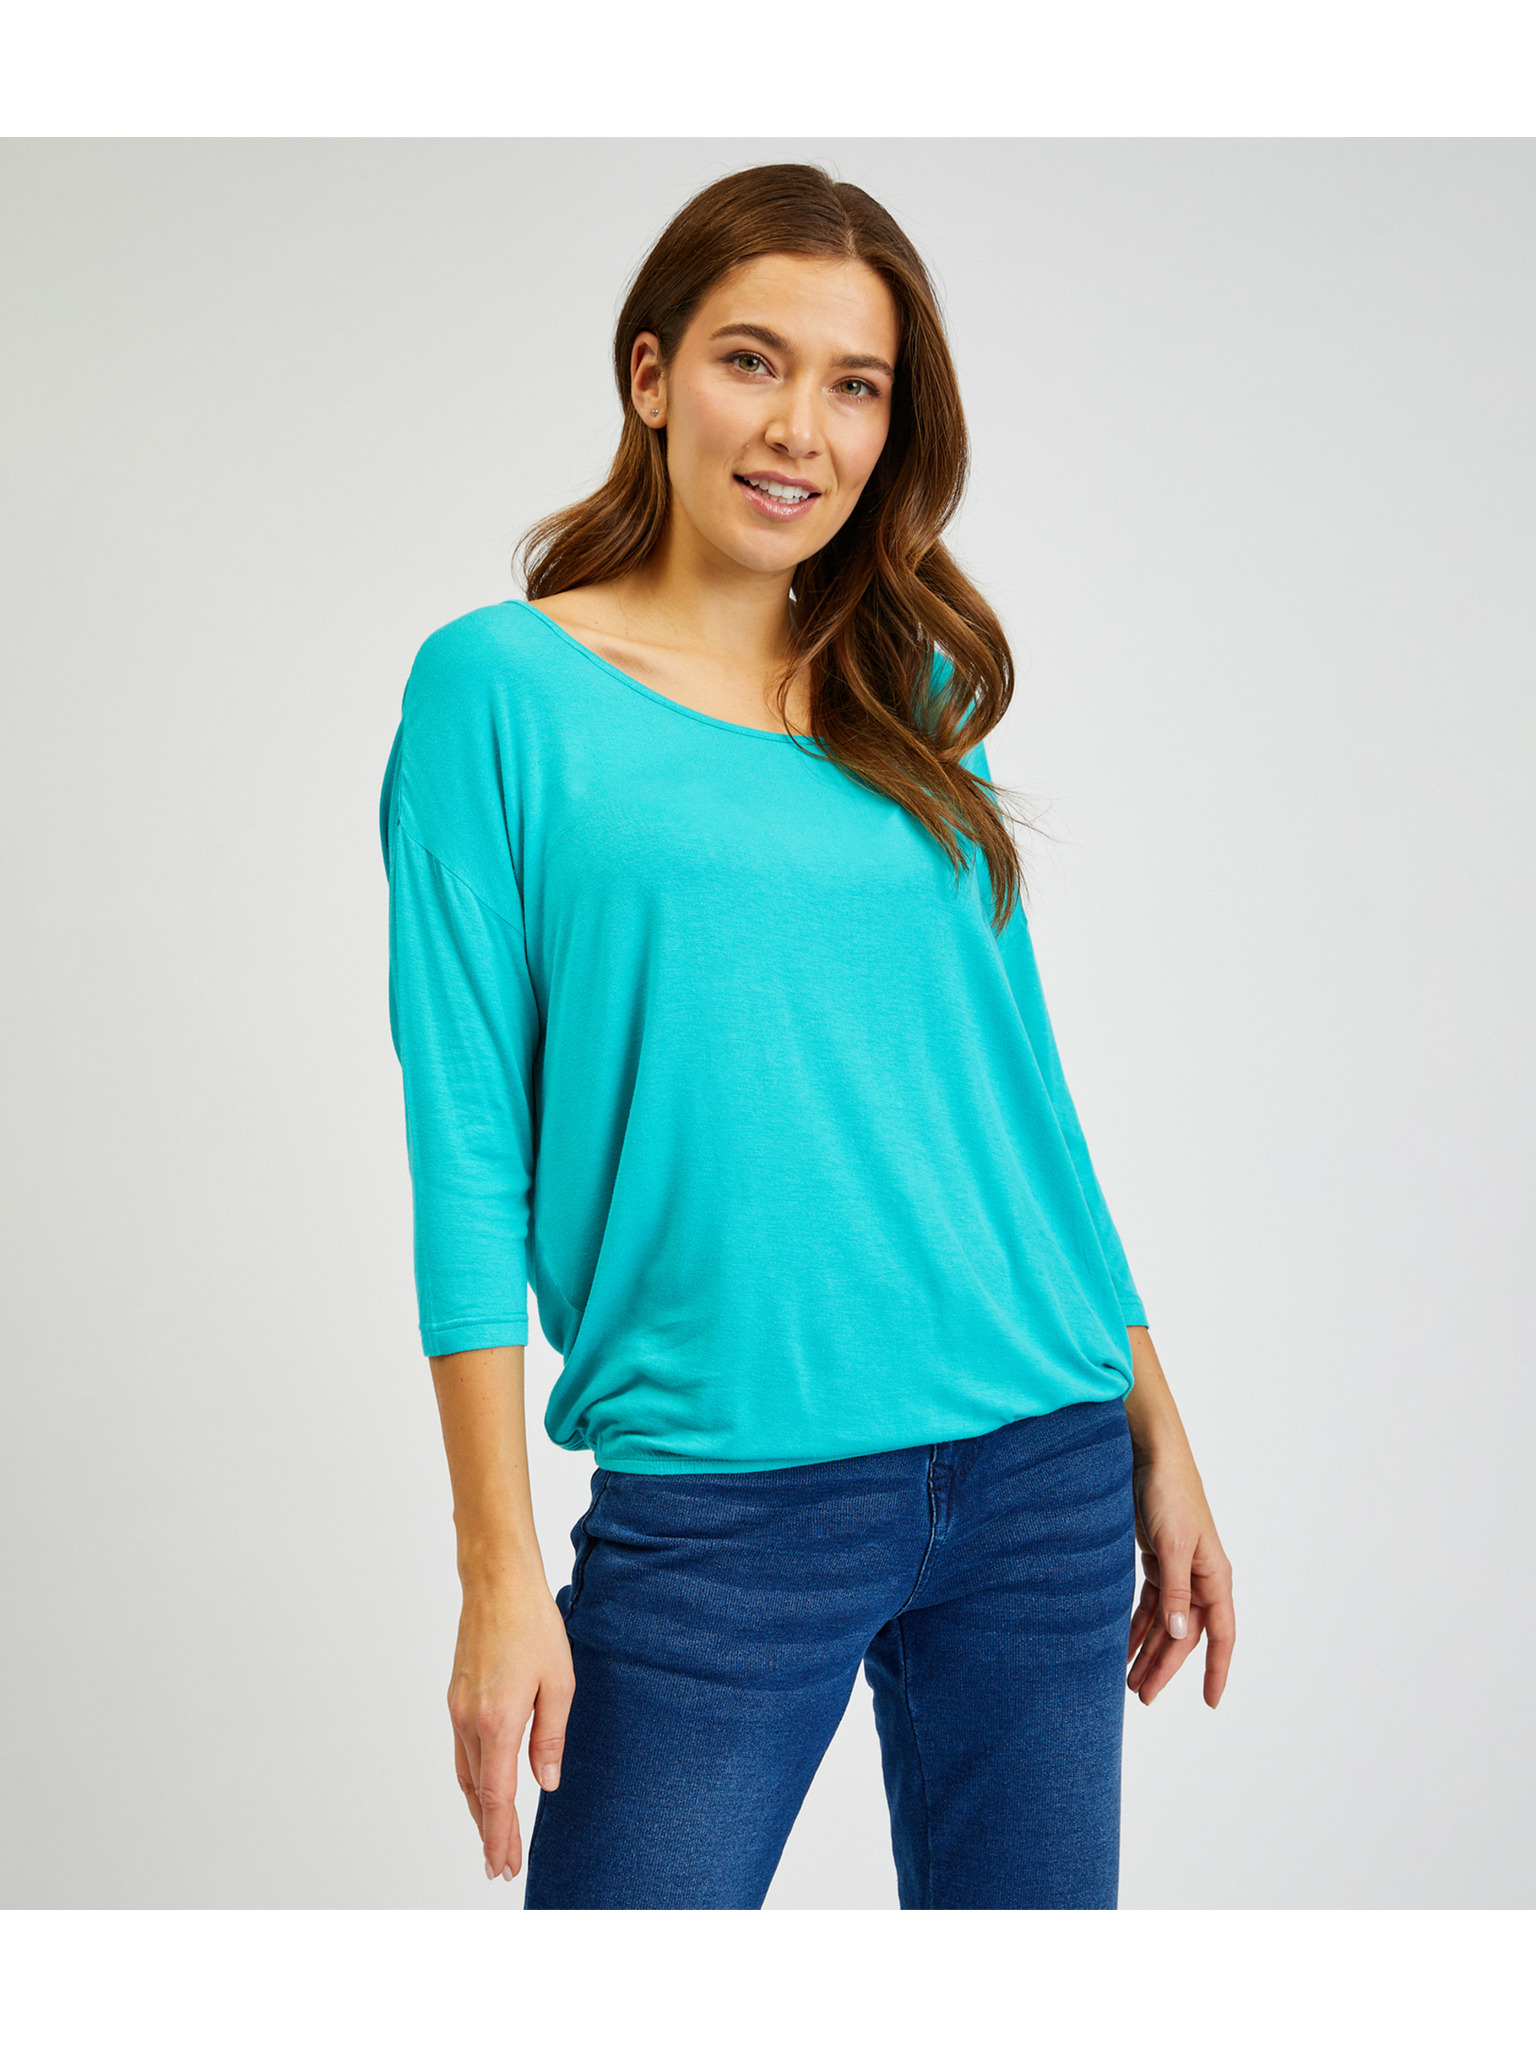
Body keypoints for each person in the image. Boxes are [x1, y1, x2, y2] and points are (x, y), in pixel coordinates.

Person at [380, 161, 1235, 1911]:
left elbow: (1015, 1093)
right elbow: (466, 1143)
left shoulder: (908, 693)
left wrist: (1160, 1425)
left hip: (1041, 1469)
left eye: (857, 385)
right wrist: (497, 1567)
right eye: (751, 361)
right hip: (724, 1503)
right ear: (650, 375)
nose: (800, 430)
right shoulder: (498, 691)